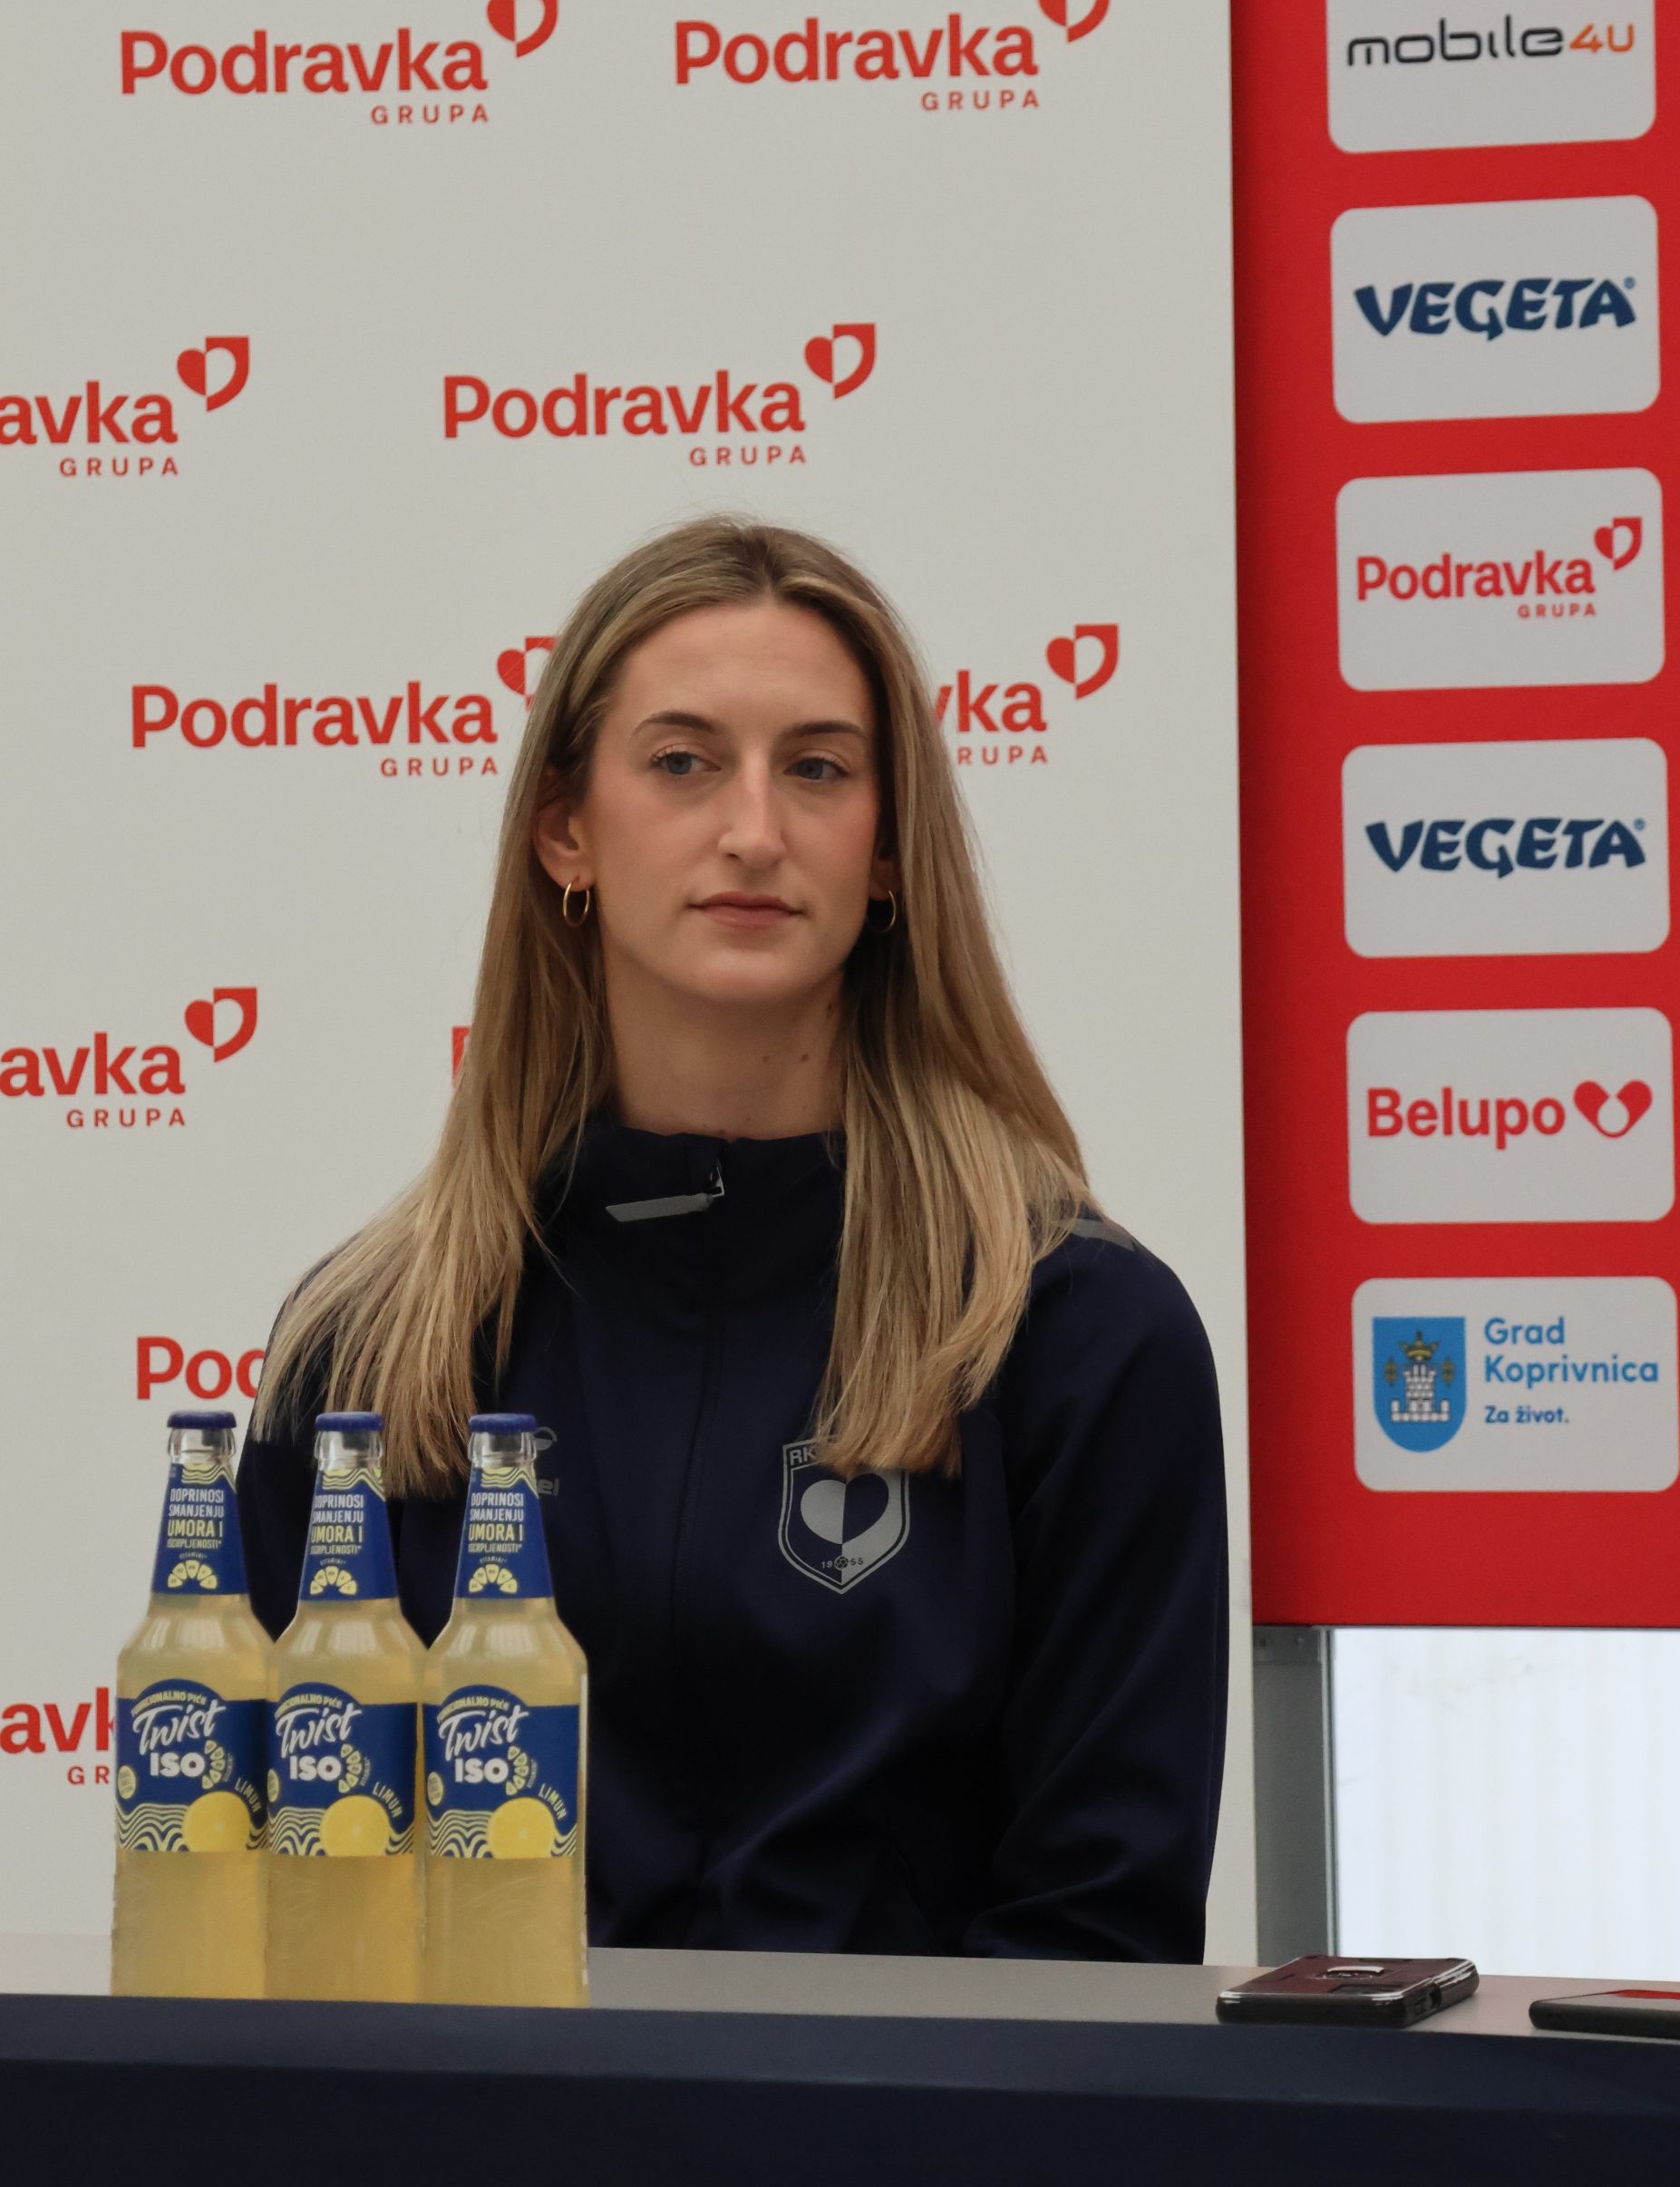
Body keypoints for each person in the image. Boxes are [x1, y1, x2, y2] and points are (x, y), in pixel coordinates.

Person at [238, 515, 1228, 1960]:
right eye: (683, 762)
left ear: (887, 850)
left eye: (817, 769)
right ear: (567, 831)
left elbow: (1101, 1939)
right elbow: (297, 1914)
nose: (754, 830)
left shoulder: (1076, 1333)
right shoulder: (371, 1345)